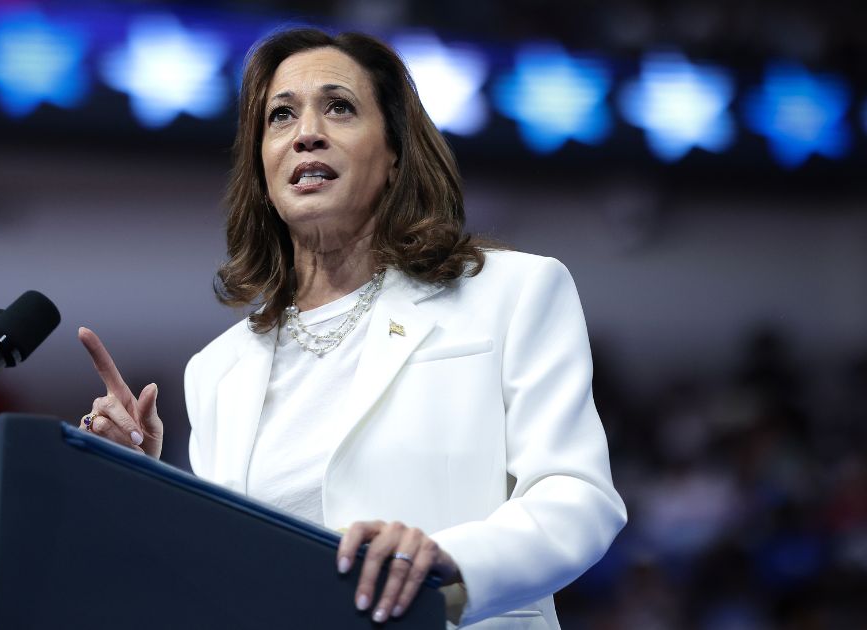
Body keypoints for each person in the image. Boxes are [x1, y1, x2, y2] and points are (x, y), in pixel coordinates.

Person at [76, 28, 626, 629]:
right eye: (280, 116)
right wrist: (141, 485)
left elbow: (579, 499)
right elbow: (221, 579)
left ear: (394, 155)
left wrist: (448, 561)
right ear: (262, 167)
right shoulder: (217, 371)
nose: (306, 132)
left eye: (338, 107)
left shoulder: (513, 293)